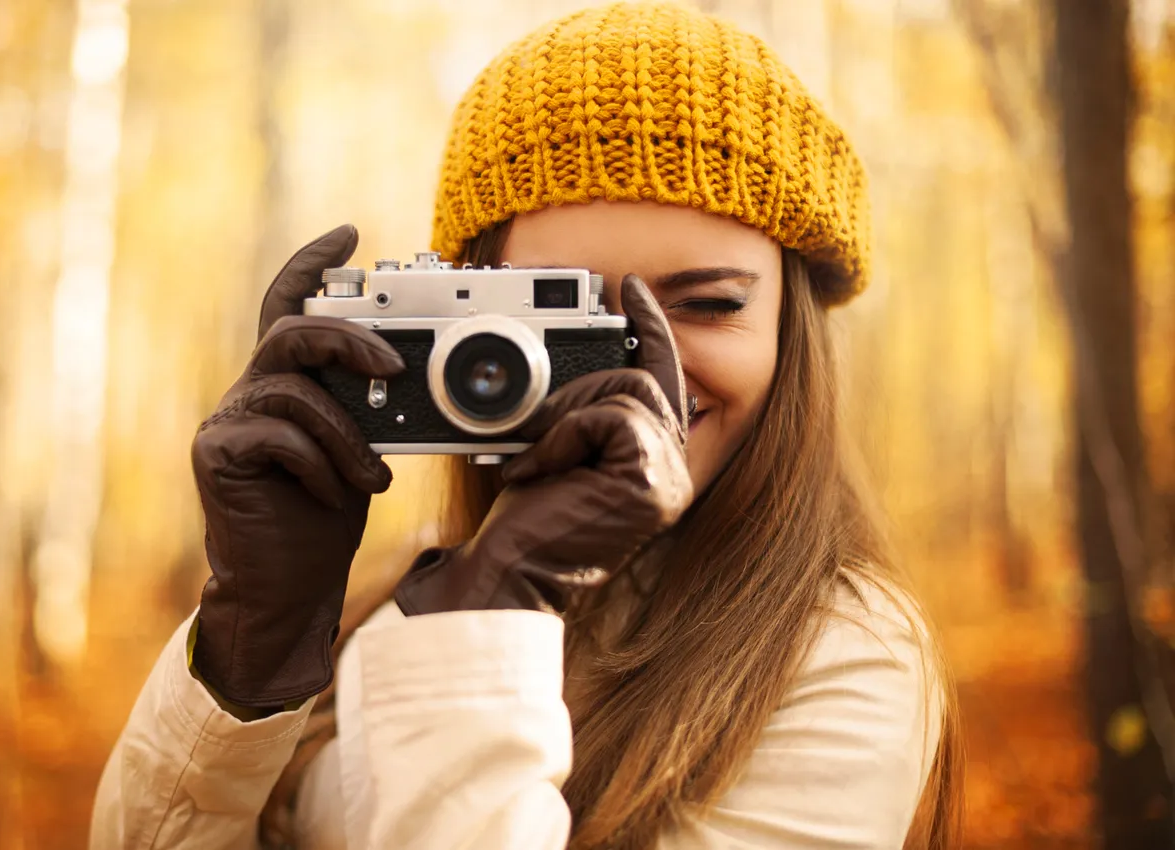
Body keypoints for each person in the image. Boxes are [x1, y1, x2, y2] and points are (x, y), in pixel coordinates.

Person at [90, 3, 964, 848]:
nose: (636, 367)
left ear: (792, 332)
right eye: (563, 314)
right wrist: (257, 649)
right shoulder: (412, 594)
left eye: (706, 304)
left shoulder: (849, 656)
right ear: (458, 324)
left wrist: (496, 600)